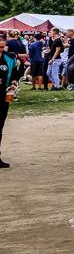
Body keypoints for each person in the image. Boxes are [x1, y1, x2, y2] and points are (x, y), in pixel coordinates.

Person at [0, 40, 20, 168]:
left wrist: (13, 82)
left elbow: (14, 73)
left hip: (3, 95)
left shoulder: (9, 58)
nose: (1, 49)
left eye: (2, 46)